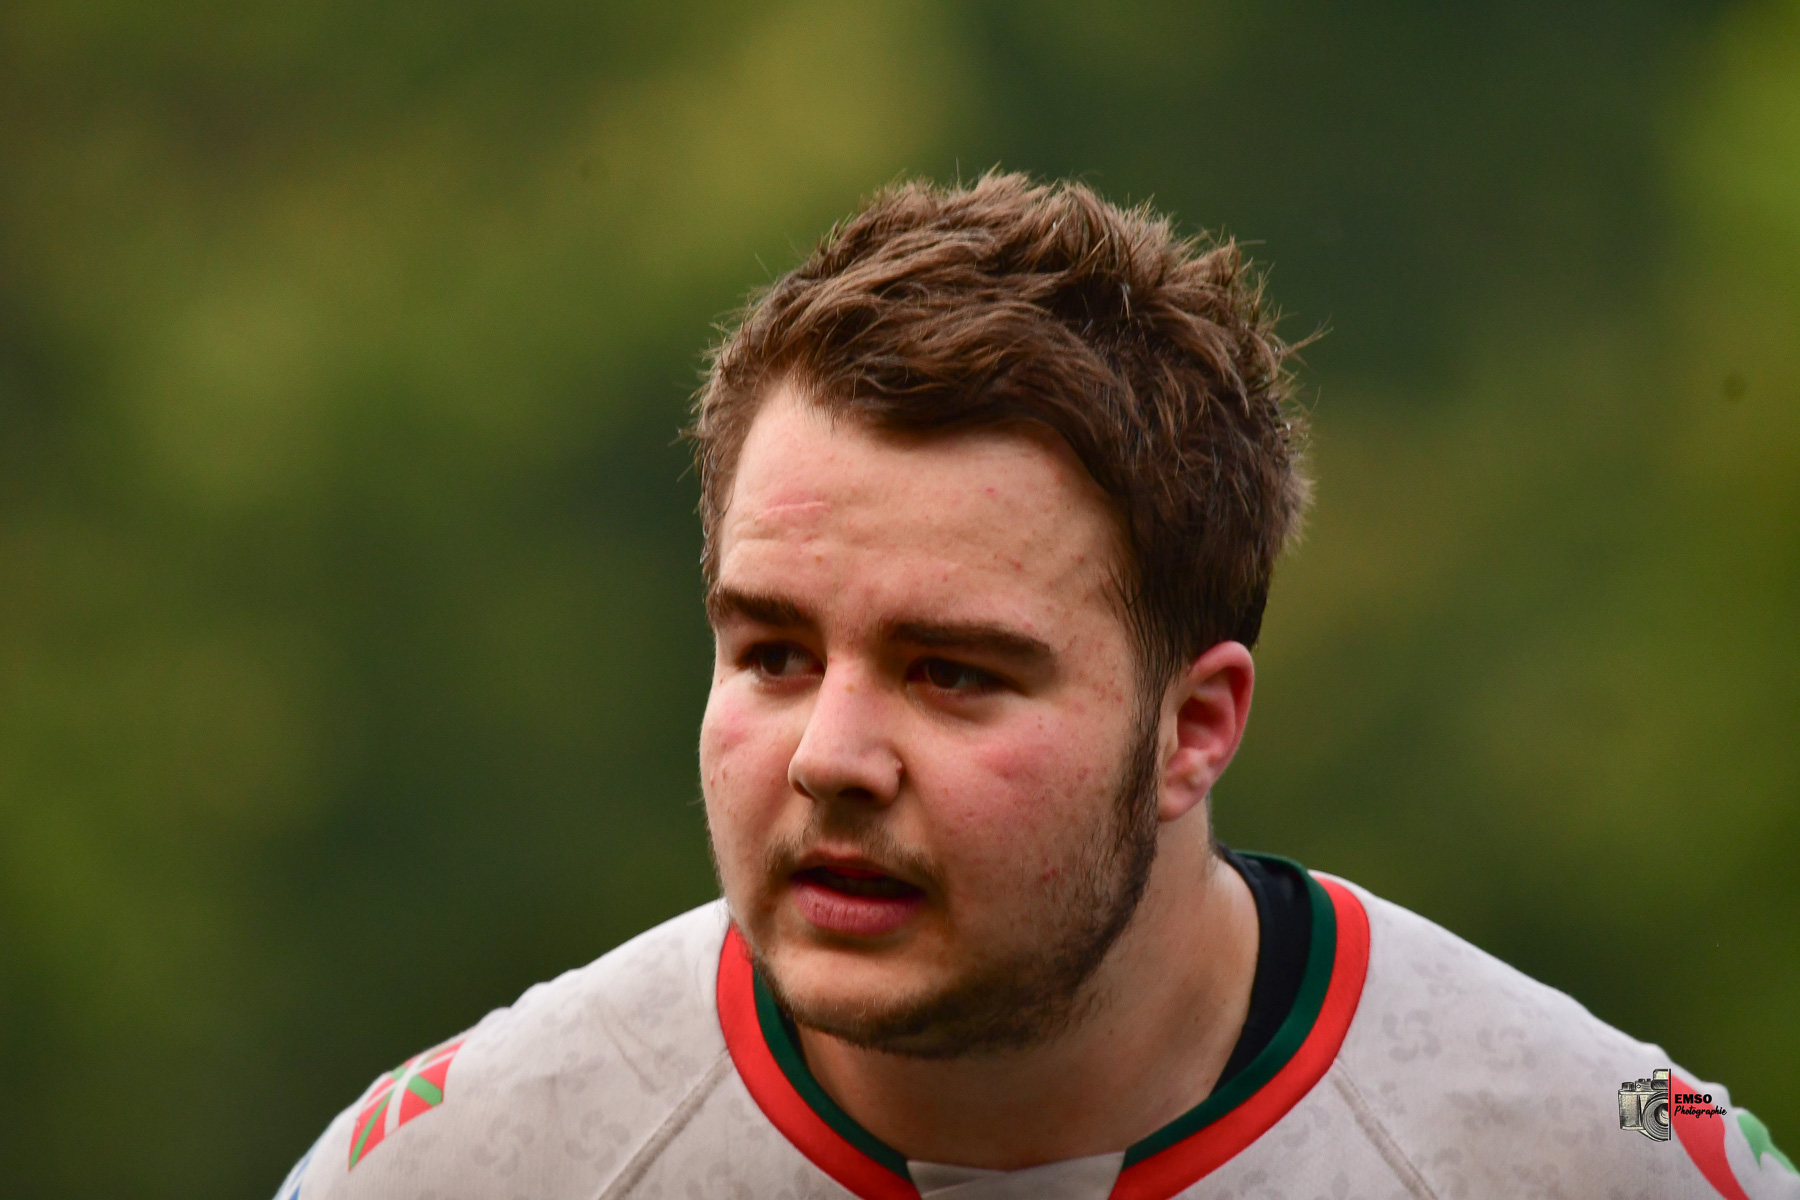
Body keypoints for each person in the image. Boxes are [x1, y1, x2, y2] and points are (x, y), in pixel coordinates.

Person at [278, 173, 1795, 1200]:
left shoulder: (1601, 1149)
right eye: (774, 654)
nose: (831, 758)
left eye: (952, 673)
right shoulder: (467, 1162)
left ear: (1194, 727)